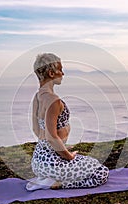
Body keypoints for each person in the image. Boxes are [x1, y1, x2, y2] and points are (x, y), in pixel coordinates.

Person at [26, 53, 109, 191]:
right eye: (60, 69)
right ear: (52, 73)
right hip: (52, 162)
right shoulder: (54, 101)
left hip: (39, 160)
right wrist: (68, 156)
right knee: (101, 172)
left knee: (91, 162)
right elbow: (51, 136)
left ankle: (47, 178)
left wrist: (60, 148)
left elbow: (37, 130)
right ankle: (56, 183)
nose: (63, 73)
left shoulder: (37, 96)